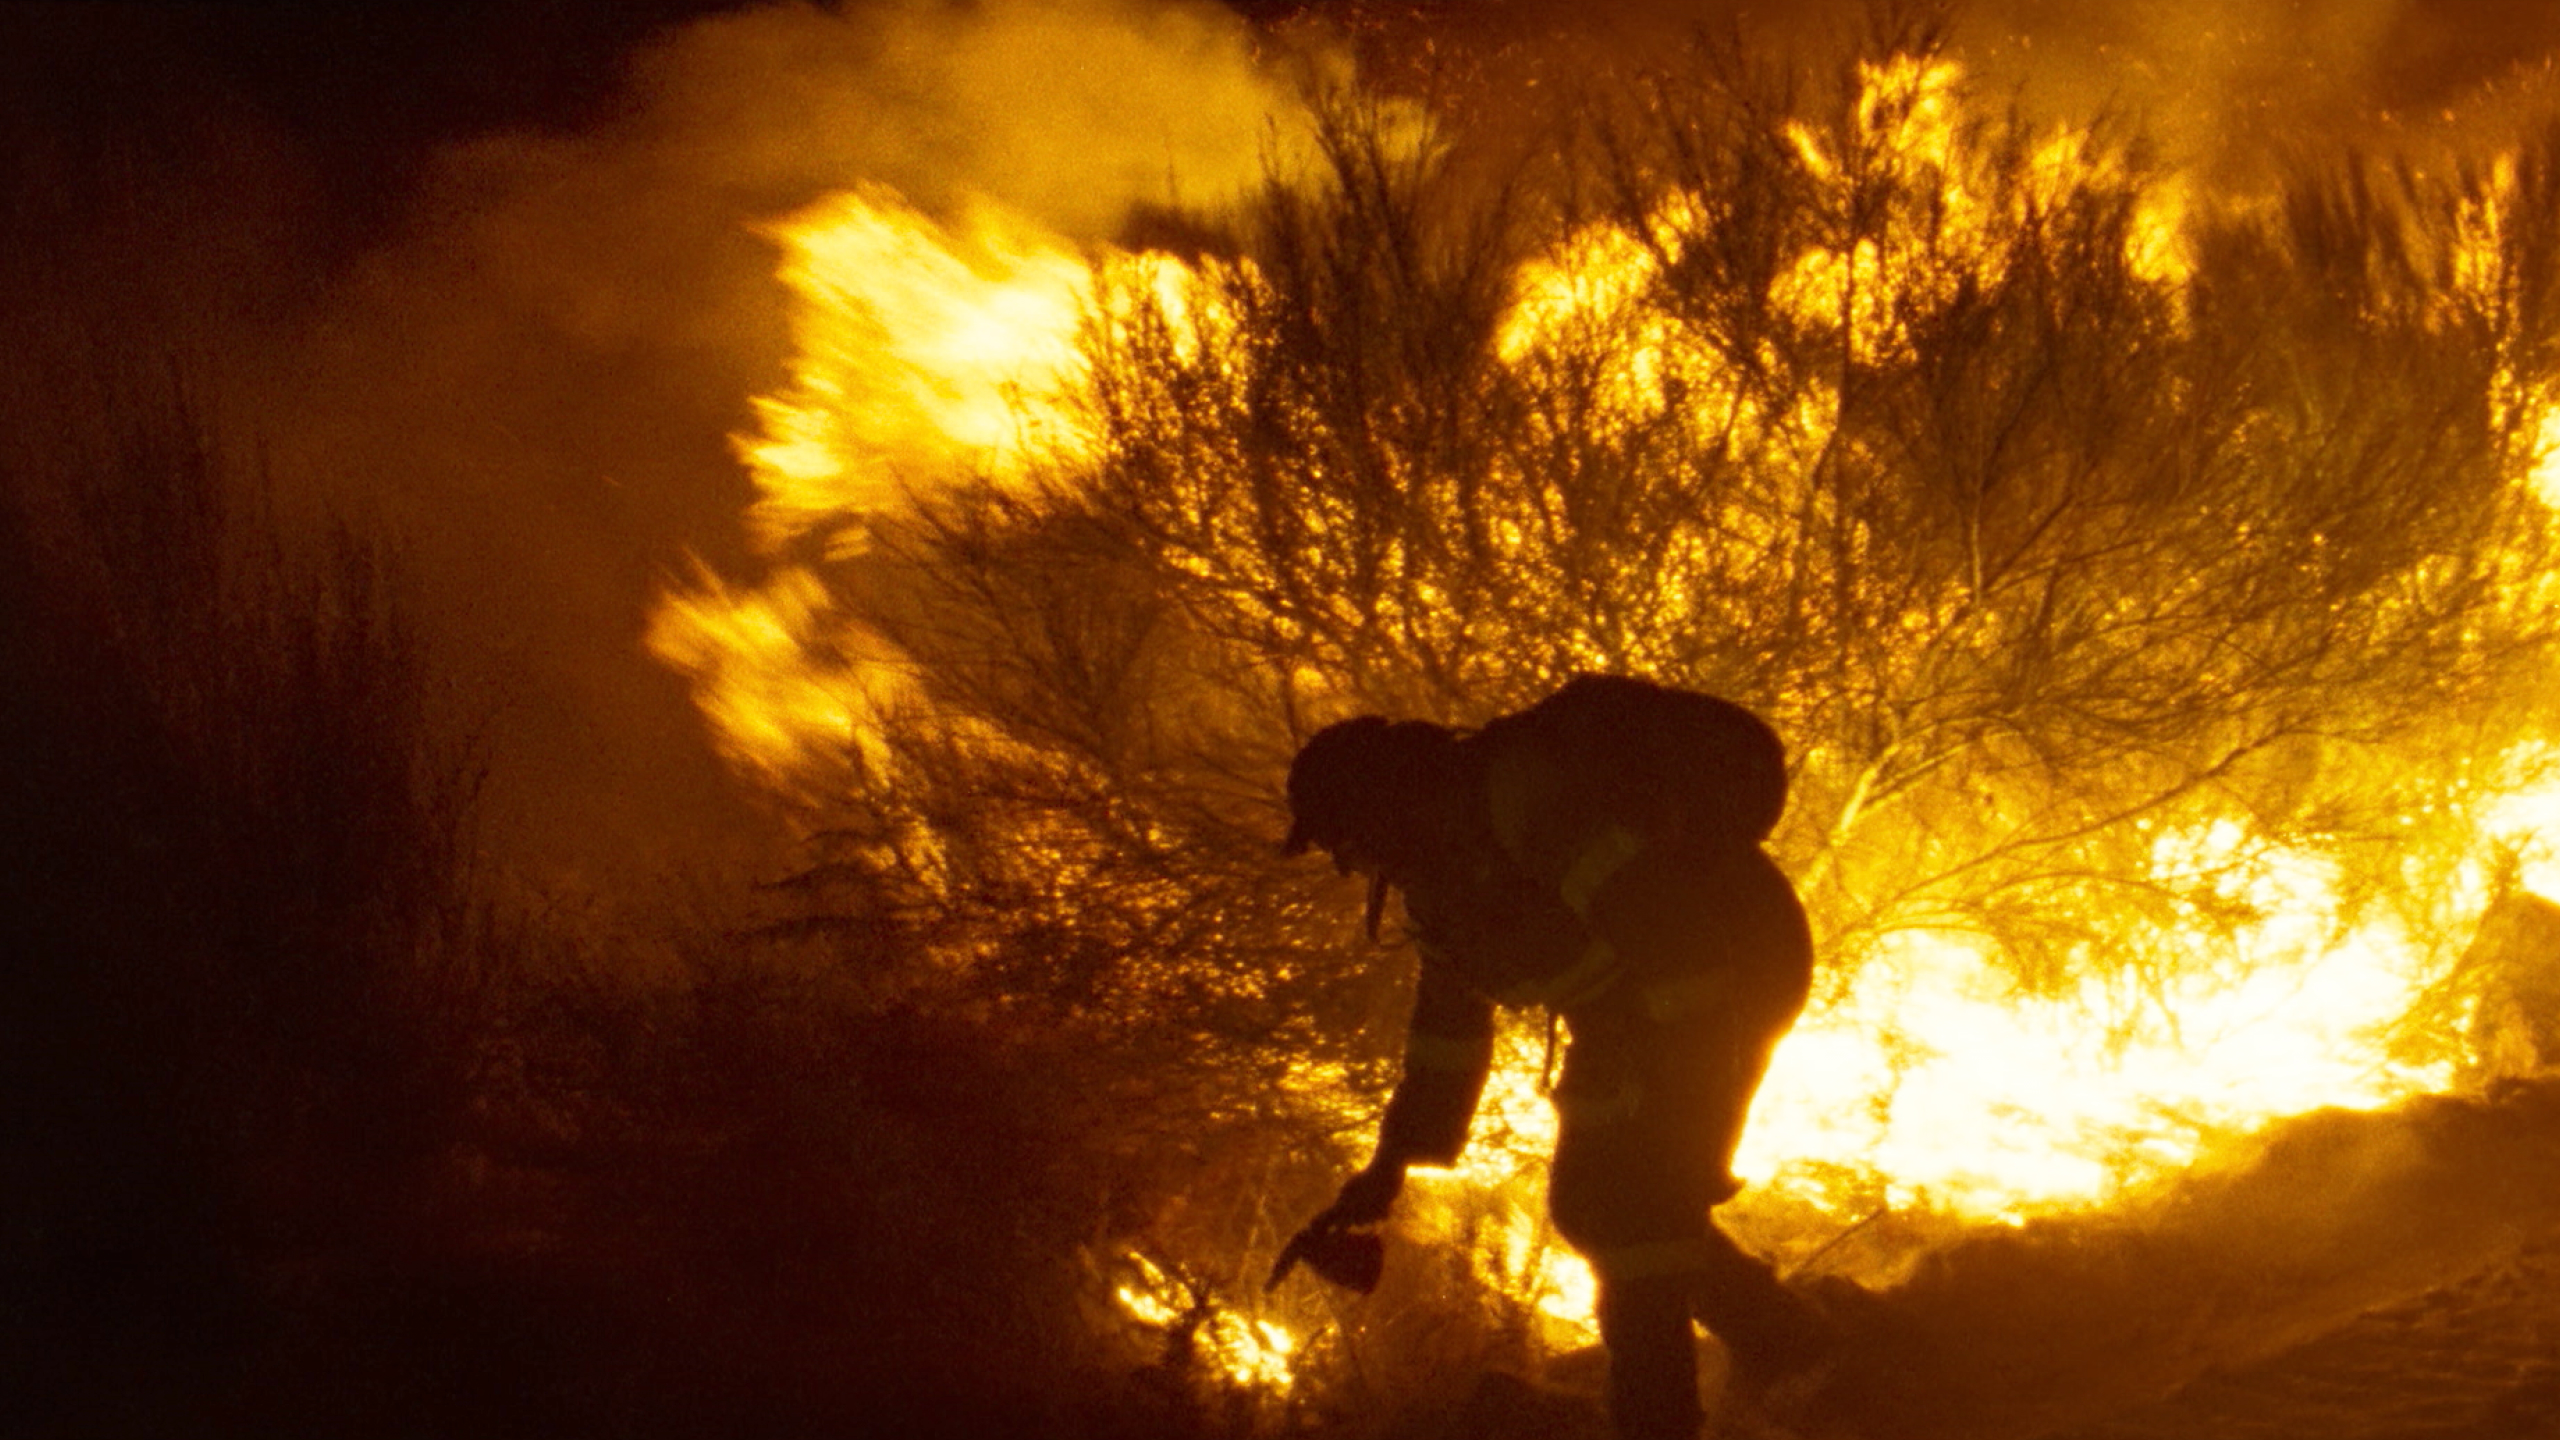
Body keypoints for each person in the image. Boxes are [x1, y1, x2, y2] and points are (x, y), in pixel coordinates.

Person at [1268, 679, 1836, 1440]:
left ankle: (1664, 1418)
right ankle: (1791, 1345)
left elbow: (1675, 950)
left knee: (1639, 1216)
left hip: (1730, 974)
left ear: (1386, 800)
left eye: (1346, 837)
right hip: (1629, 1017)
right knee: (1592, 1204)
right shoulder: (1441, 876)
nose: (1348, 862)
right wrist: (1391, 1166)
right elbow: (1447, 1035)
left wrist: (1692, 1115)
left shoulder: (1524, 802)